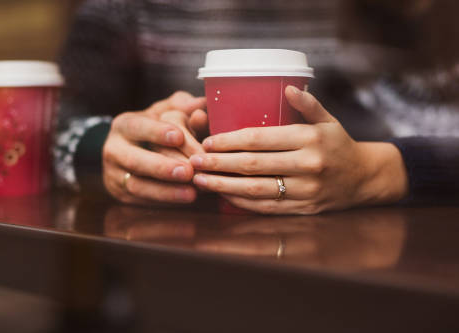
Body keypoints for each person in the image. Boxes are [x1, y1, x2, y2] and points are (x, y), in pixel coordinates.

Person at [54, 0, 459, 214]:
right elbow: (55, 119)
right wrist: (108, 149)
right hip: (189, 273)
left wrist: (382, 171)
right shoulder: (128, 9)